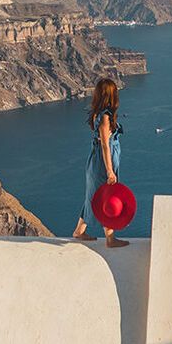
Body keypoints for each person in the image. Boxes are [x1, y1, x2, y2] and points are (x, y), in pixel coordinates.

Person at [72, 77, 129, 248]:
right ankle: (110, 239)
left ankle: (79, 231)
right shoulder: (105, 117)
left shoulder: (99, 113)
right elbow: (105, 144)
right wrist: (110, 171)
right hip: (103, 164)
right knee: (107, 197)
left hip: (98, 161)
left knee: (93, 196)